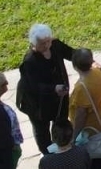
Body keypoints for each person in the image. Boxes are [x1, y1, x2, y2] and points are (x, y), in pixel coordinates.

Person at [18, 24, 75, 155]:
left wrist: (89, 61)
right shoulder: (29, 61)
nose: (47, 45)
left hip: (59, 98)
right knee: (42, 131)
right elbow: (33, 86)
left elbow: (72, 54)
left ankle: (61, 148)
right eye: (42, 43)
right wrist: (53, 88)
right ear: (34, 43)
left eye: (48, 41)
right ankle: (48, 154)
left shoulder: (55, 46)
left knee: (60, 123)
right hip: (39, 103)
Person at [68, 49, 101, 169]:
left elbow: (81, 116)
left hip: (90, 129)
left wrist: (74, 135)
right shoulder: (98, 72)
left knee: (96, 157)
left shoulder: (81, 88)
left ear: (75, 66)